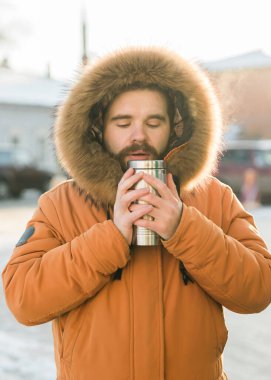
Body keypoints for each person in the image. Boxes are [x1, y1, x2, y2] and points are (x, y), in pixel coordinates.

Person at [2, 47, 271, 380]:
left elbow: (259, 288)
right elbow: (23, 299)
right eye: (123, 122)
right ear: (99, 127)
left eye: (153, 122)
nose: (138, 135)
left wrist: (185, 229)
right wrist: (110, 238)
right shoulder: (61, 205)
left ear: (176, 128)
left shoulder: (214, 198)